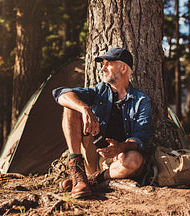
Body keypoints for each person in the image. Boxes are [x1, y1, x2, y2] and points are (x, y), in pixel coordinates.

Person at [52, 47, 152, 198]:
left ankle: (90, 181)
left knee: (135, 159)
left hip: (118, 160)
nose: (103, 68)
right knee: (71, 107)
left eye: (108, 64)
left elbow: (141, 137)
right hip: (92, 154)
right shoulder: (99, 91)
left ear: (123, 68)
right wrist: (84, 108)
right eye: (103, 64)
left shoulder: (141, 100)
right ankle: (78, 172)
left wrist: (121, 147)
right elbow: (61, 94)